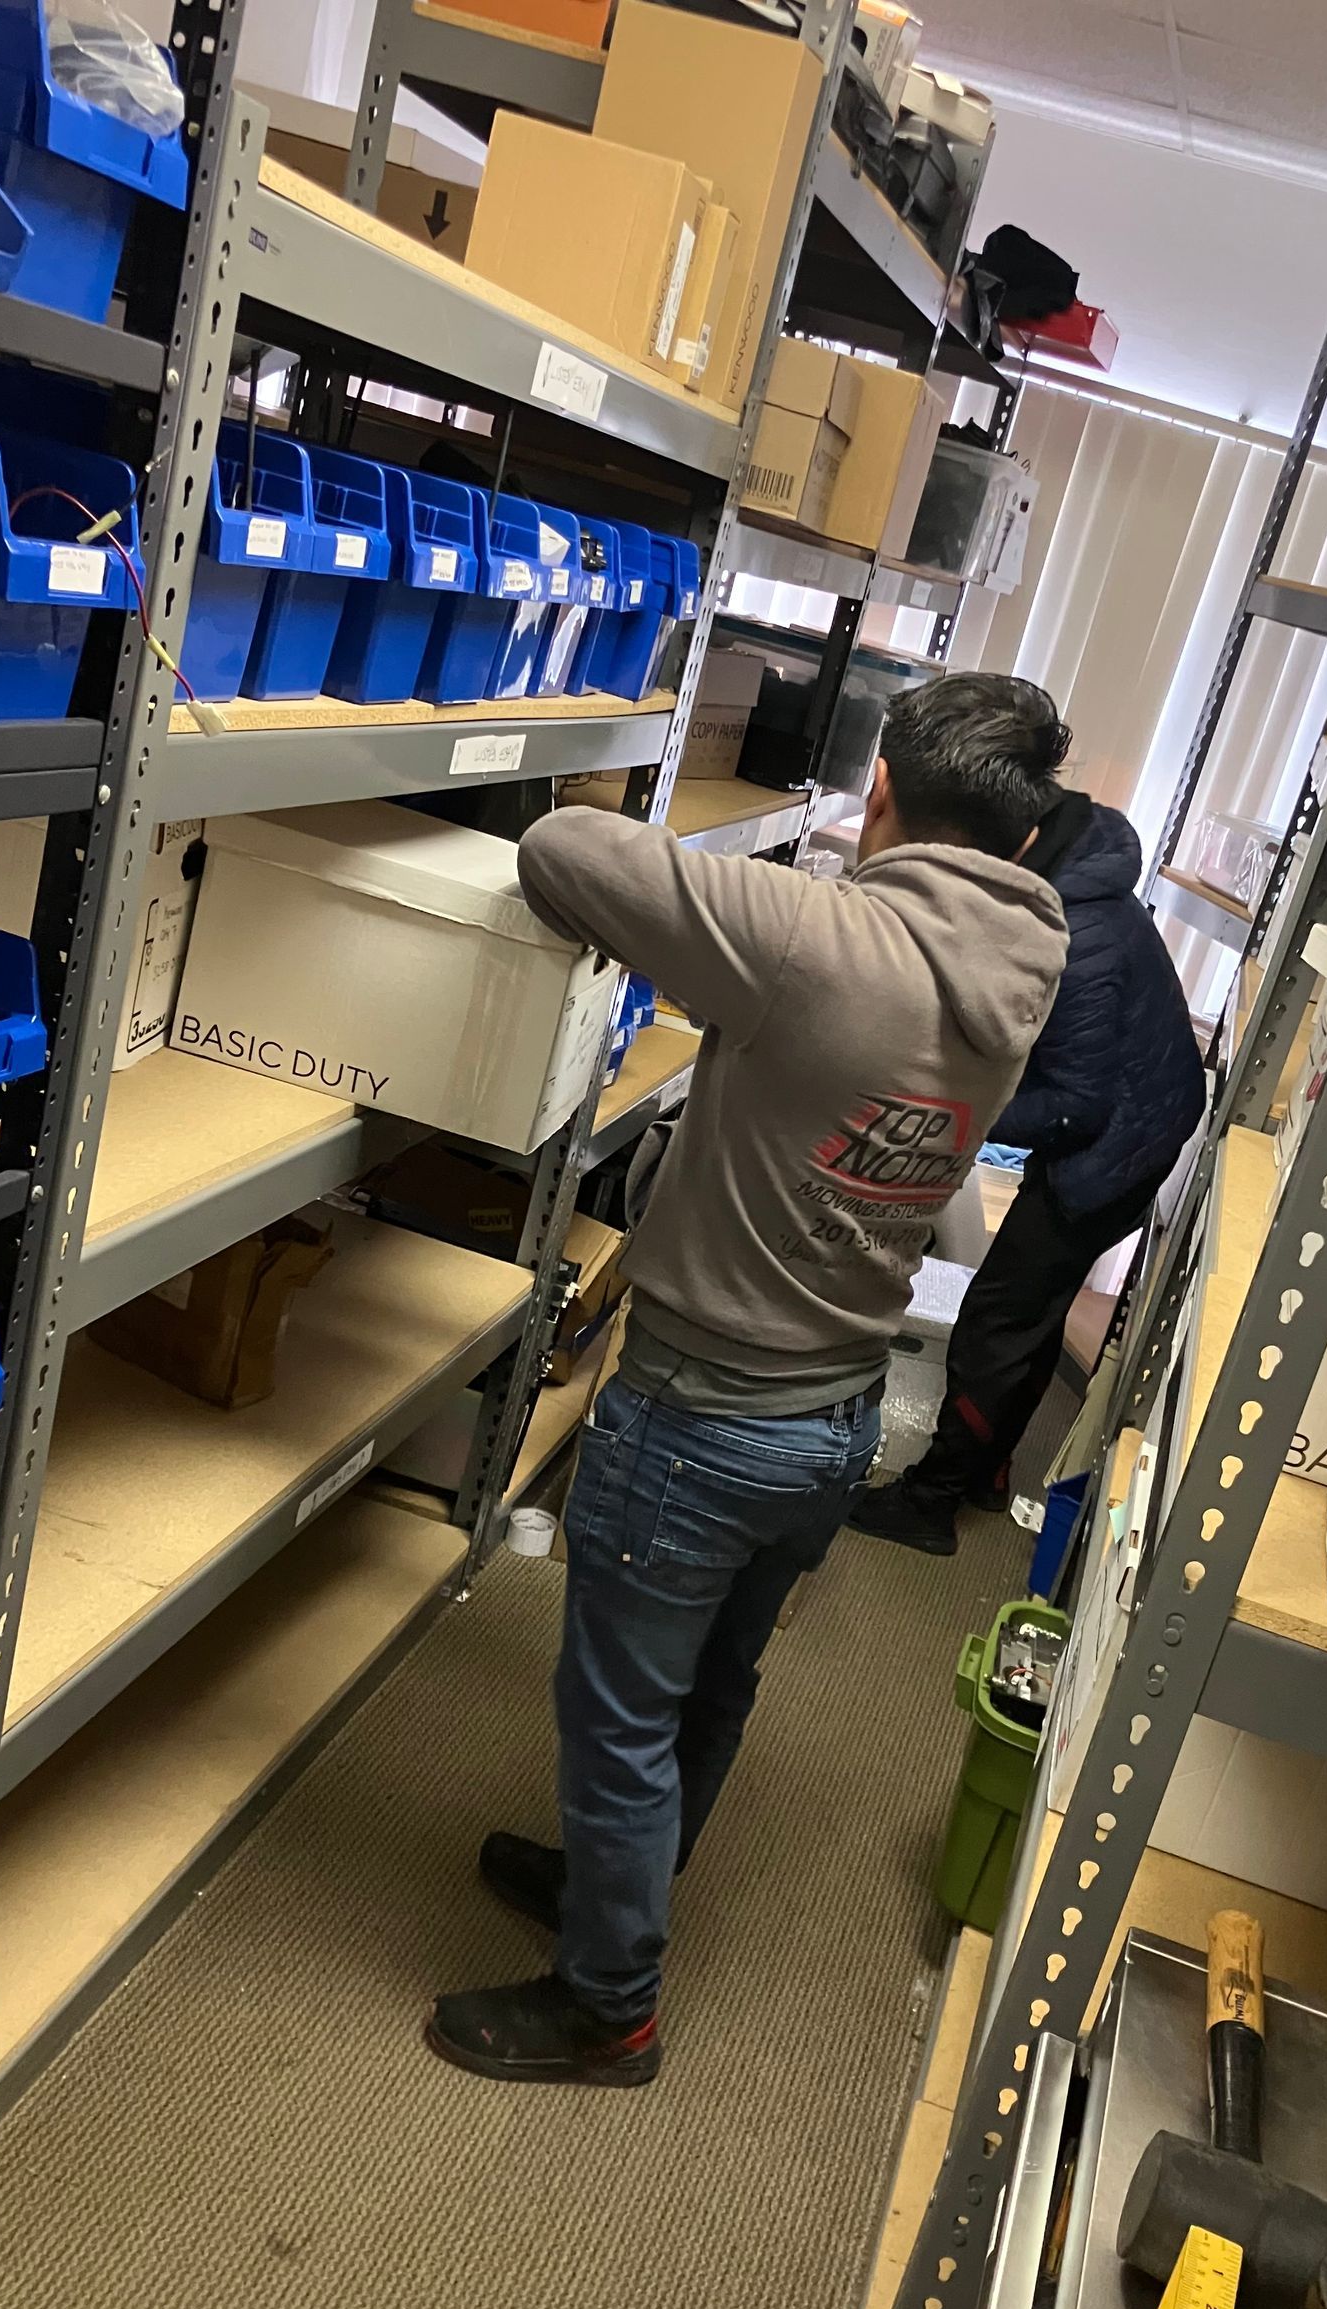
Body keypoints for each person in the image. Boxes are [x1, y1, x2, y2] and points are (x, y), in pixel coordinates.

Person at [428, 673, 1071, 2087]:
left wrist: (830, 871)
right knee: (709, 1692)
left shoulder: (818, 941)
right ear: (1024, 844)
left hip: (703, 1420)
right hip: (833, 1417)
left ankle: (609, 2005)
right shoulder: (1027, 961)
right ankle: (623, 1894)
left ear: (884, 791)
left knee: (617, 1718)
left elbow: (562, 853)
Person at [847, 774, 1207, 1555]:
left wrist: (959, 1111)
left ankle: (932, 1501)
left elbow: (1075, 1105)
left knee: (994, 1322)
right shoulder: (1072, 891)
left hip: (1112, 1150)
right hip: (1138, 1123)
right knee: (1031, 1316)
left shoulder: (1077, 936)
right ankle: (987, 1470)